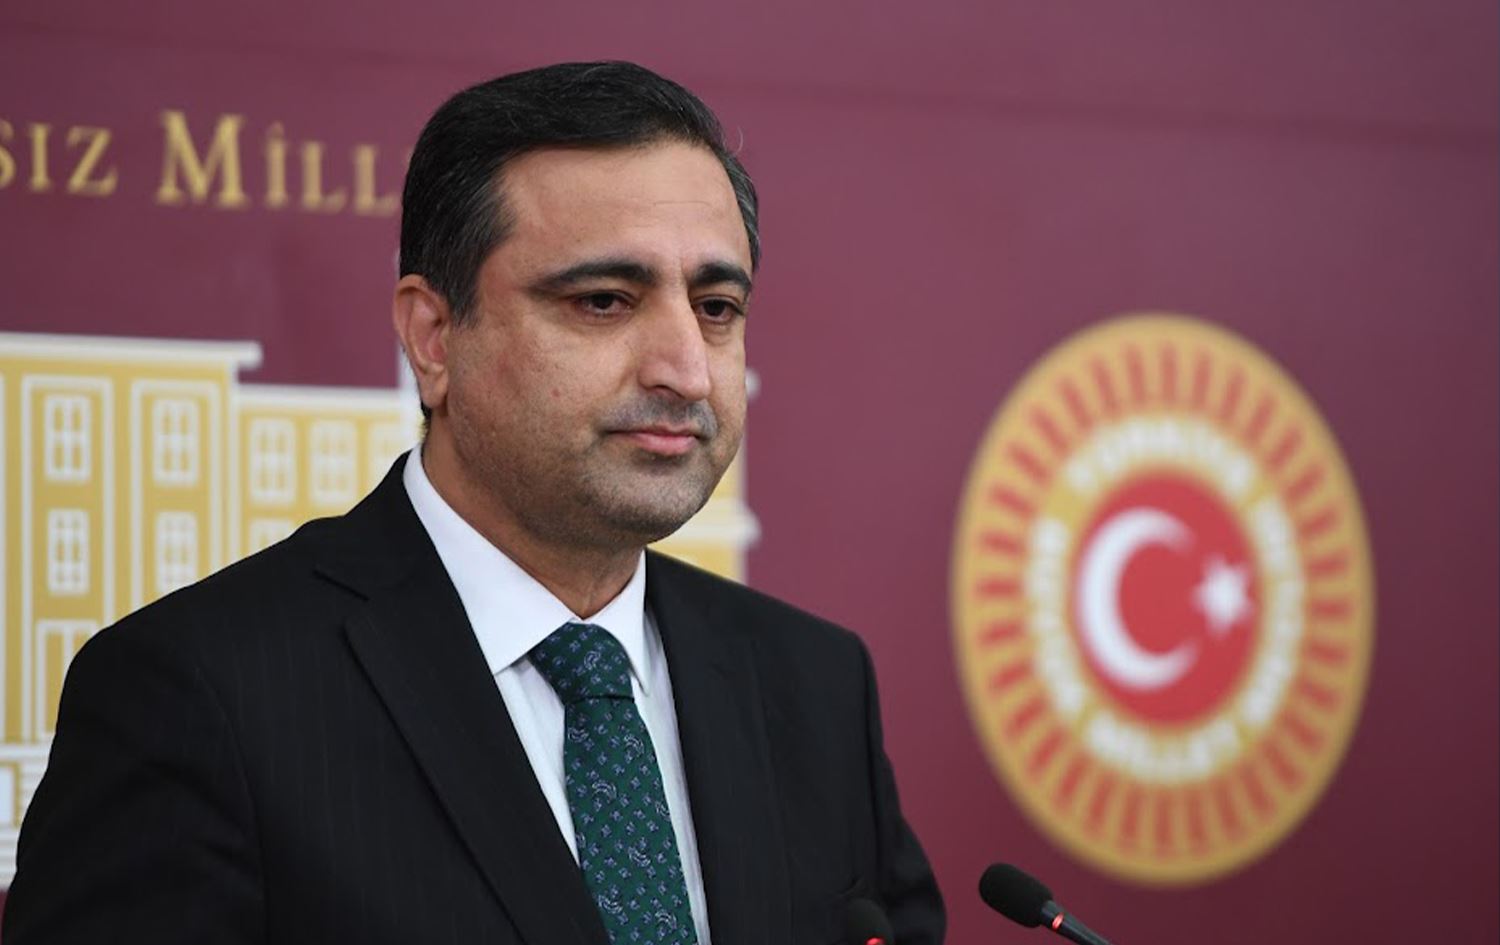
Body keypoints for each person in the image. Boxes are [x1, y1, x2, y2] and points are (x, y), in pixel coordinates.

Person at [3, 61, 945, 945]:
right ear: (434, 336)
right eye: (604, 301)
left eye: (716, 308)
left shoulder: (815, 686)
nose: (686, 370)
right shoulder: (199, 694)